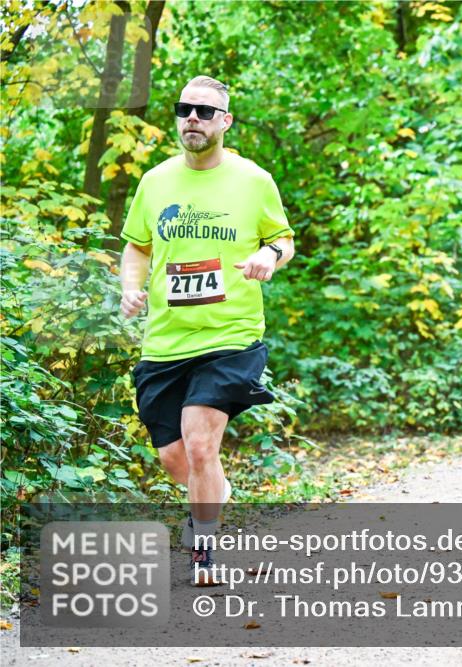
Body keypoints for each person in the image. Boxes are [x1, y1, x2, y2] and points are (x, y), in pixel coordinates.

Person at [119, 75, 295, 585]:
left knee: (200, 447)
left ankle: (203, 554)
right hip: (166, 341)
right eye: (183, 109)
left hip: (230, 336)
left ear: (225, 121)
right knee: (177, 458)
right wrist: (130, 288)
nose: (191, 118)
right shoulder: (156, 182)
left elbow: (283, 239)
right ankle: (215, 496)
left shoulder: (253, 180)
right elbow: (137, 246)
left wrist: (268, 254)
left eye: (203, 111)